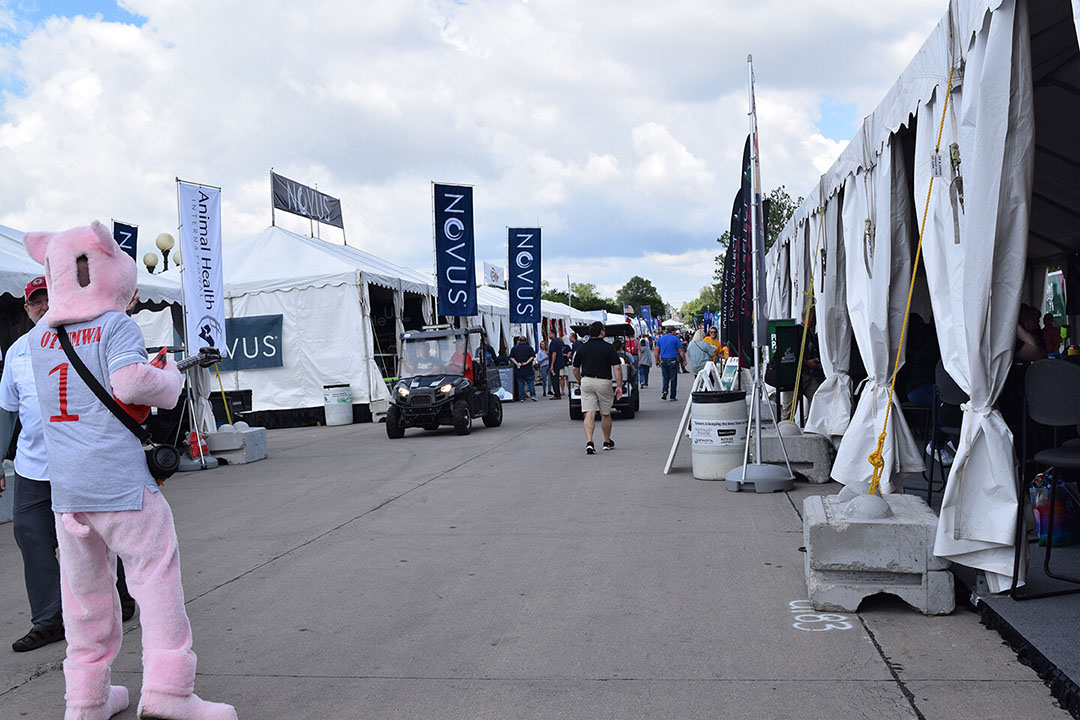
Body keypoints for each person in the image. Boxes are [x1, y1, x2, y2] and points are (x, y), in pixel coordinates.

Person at [0, 277, 65, 652]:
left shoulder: (81, 338)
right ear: (26, 309)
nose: (42, 306)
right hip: (31, 466)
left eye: (48, 298)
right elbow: (7, 411)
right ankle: (48, 621)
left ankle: (117, 595)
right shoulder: (17, 351)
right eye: (35, 302)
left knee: (96, 537)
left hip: (78, 463)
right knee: (30, 536)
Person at [573, 320, 623, 454]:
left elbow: (575, 368)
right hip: (603, 381)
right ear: (601, 332)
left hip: (587, 381)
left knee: (589, 413)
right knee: (605, 413)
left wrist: (579, 380)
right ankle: (607, 441)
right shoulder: (608, 347)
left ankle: (589, 441)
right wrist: (619, 385)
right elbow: (617, 368)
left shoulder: (582, 348)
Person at [655, 326, 686, 401]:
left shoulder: (661, 339)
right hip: (672, 359)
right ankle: (672, 396)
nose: (675, 333)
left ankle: (665, 390)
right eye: (675, 331)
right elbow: (681, 350)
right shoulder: (675, 339)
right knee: (673, 378)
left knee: (665, 377)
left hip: (664, 360)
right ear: (672, 331)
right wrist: (684, 360)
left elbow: (656, 351)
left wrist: (657, 360)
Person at [509, 335, 537, 401]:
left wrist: (517, 363)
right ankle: (533, 395)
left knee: (520, 384)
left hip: (519, 369)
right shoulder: (529, 348)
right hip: (528, 369)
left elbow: (511, 357)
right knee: (530, 383)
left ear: (519, 341)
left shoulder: (514, 348)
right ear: (525, 341)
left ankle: (521, 397)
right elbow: (532, 356)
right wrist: (527, 362)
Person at [547, 329, 566, 399]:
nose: (549, 335)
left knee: (554, 379)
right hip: (559, 363)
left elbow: (554, 353)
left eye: (549, 334)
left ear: (553, 334)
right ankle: (557, 393)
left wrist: (552, 365)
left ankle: (557, 394)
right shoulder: (558, 341)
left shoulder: (553, 342)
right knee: (556, 378)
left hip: (555, 364)